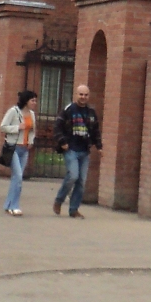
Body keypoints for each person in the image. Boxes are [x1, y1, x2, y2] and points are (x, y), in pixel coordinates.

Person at [53, 83, 101, 218]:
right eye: (81, 94)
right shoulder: (68, 110)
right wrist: (62, 142)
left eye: (86, 95)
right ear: (76, 95)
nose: (83, 97)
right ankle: (59, 200)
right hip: (71, 149)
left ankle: (74, 209)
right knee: (73, 175)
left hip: (84, 150)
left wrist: (99, 146)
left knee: (81, 181)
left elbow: (95, 131)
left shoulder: (91, 113)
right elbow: (57, 127)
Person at [0, 90, 38, 215]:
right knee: (18, 176)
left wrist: (31, 141)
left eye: (35, 101)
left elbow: (32, 130)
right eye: (32, 100)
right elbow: (3, 127)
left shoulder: (32, 114)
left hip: (24, 149)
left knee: (16, 178)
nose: (35, 103)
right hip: (13, 148)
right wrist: (17, 127)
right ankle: (15, 205)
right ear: (26, 101)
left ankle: (8, 205)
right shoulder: (14, 111)